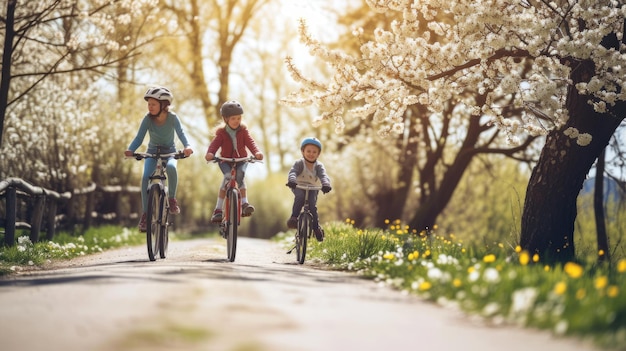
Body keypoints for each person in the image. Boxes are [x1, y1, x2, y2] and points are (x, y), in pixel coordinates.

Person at [124, 86, 194, 232]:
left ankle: (172, 199)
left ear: (164, 105)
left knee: (171, 168)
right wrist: (131, 149)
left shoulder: (173, 118)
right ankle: (145, 215)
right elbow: (139, 138)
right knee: (145, 178)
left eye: (153, 104)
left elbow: (181, 134)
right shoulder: (147, 119)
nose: (150, 107)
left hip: (170, 152)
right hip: (152, 152)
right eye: (148, 104)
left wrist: (187, 146)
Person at [205, 100, 264, 223]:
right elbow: (214, 145)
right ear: (226, 119)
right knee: (227, 177)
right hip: (225, 160)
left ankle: (244, 204)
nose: (236, 121)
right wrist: (210, 153)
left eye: (238, 118)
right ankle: (218, 210)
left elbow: (250, 142)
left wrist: (256, 153)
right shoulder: (221, 133)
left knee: (240, 176)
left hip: (241, 160)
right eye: (233, 118)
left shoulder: (243, 131)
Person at [286, 137, 331, 242]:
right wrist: (292, 180)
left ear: (318, 154)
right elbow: (293, 172)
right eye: (308, 151)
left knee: (312, 206)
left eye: (314, 152)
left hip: (313, 187)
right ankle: (294, 217)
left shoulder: (319, 166)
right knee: (300, 197)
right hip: (298, 186)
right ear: (302, 151)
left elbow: (324, 176)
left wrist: (326, 184)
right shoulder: (299, 163)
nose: (311, 154)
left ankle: (316, 228)